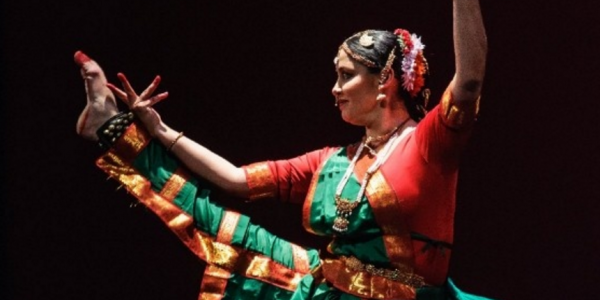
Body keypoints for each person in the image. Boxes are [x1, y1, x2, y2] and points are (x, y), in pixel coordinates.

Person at [74, 0, 490, 299]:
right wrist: (160, 131)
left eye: (345, 76)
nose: (334, 89)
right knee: (228, 234)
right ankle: (111, 129)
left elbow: (469, 81)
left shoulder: (429, 145)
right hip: (329, 290)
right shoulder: (332, 162)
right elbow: (237, 180)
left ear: (384, 81)